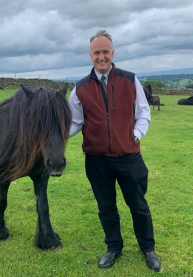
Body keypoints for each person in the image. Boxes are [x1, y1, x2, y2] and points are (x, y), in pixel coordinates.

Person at [68, 30, 161, 272]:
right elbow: (75, 122)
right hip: (97, 161)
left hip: (129, 158)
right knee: (106, 207)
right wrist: (55, 134)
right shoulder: (79, 89)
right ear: (90, 56)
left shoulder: (130, 80)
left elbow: (143, 114)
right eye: (96, 52)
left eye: (105, 52)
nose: (101, 56)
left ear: (113, 53)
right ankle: (114, 248)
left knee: (138, 205)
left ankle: (147, 248)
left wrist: (135, 135)